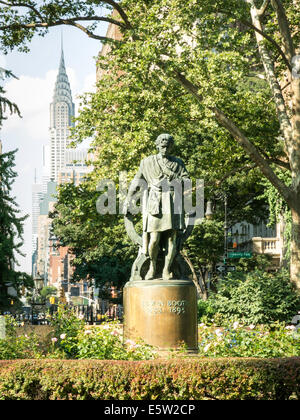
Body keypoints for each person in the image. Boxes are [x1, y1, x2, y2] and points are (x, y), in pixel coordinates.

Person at [124, 133, 189, 280]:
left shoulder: (178, 163)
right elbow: (137, 180)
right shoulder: (147, 162)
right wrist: (128, 198)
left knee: (172, 238)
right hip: (155, 202)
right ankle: (152, 266)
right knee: (154, 239)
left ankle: (166, 269)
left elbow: (186, 180)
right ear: (157, 145)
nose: (165, 149)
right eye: (162, 146)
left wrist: (173, 176)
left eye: (168, 146)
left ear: (171, 147)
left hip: (172, 201)